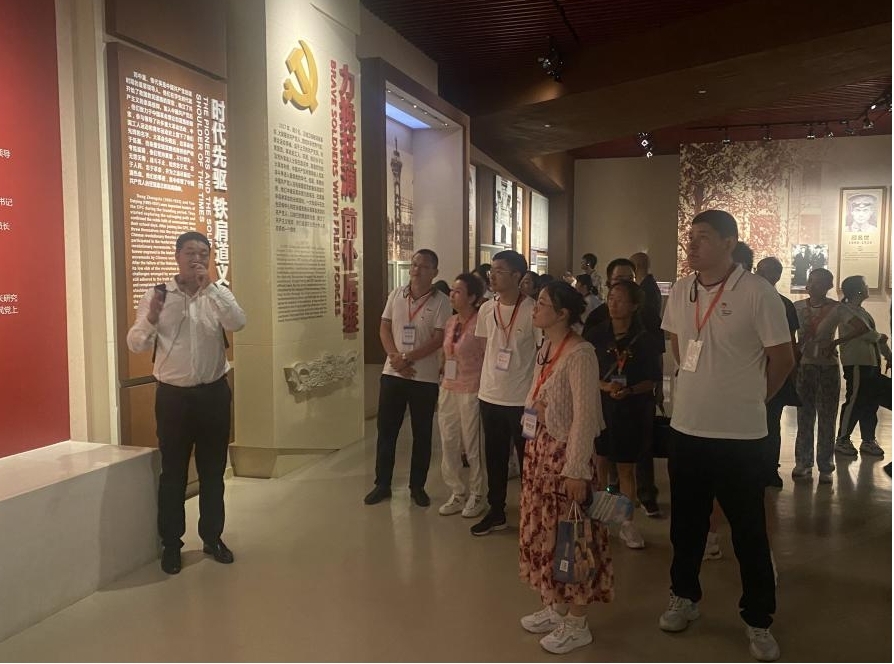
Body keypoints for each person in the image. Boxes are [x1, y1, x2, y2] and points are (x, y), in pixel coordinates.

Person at [659, 210, 793, 662]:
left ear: (729, 243)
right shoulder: (682, 289)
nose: (692, 244)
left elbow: (783, 359)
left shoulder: (757, 293)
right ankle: (683, 596)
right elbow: (679, 345)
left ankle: (758, 618)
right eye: (690, 236)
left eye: (703, 237)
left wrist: (753, 399)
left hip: (740, 436)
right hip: (687, 429)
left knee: (748, 531)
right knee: (686, 526)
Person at [126, 231, 246, 575]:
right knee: (174, 473)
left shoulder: (218, 292)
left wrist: (211, 289)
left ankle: (212, 537)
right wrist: (151, 318)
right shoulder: (158, 295)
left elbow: (238, 322)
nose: (197, 259)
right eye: (190, 252)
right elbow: (136, 343)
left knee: (213, 471)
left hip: (213, 395)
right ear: (177, 256)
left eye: (203, 253)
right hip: (174, 399)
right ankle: (171, 544)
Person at [518, 281, 612, 654]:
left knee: (573, 539)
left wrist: (576, 470)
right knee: (547, 534)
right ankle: (554, 604)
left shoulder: (581, 354)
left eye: (542, 303)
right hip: (540, 454)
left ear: (562, 314)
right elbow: (537, 395)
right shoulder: (547, 346)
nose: (535, 308)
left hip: (566, 458)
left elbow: (585, 418)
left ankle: (577, 621)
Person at [364, 249, 451, 507]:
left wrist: (408, 358)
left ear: (434, 272)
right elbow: (384, 327)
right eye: (414, 264)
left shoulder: (442, 301)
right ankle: (382, 484)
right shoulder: (396, 294)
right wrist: (395, 357)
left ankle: (417, 486)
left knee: (422, 434)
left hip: (423, 378)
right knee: (386, 431)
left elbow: (438, 338)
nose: (416, 270)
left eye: (423, 266)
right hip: (393, 373)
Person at [583, 257, 662, 517]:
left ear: (634, 304)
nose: (613, 304)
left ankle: (628, 521)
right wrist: (605, 386)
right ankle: (600, 516)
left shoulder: (645, 338)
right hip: (601, 407)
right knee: (600, 463)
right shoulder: (596, 332)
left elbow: (652, 377)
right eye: (611, 298)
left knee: (627, 467)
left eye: (620, 299)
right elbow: (584, 373)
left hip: (632, 410)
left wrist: (631, 390)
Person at [471, 250, 539, 536]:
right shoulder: (487, 309)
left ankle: (532, 514)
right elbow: (483, 347)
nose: (492, 276)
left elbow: (541, 355)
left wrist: (537, 396)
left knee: (528, 460)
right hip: (490, 396)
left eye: (499, 271)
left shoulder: (534, 310)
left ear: (517, 276)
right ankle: (496, 510)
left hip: (523, 400)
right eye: (492, 270)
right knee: (495, 457)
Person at [793, 268, 864, 482]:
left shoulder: (837, 308)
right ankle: (803, 462)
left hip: (827, 367)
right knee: (804, 416)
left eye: (818, 282)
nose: (812, 285)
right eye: (810, 281)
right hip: (805, 365)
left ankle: (826, 465)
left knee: (827, 416)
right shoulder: (797, 307)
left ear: (829, 286)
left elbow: (861, 327)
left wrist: (836, 342)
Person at [437, 274, 488, 518]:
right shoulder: (451, 321)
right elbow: (446, 353)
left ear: (472, 297)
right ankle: (457, 492)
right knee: (449, 441)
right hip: (448, 387)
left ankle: (478, 494)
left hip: (472, 389)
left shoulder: (481, 323)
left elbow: (487, 357)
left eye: (458, 291)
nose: (452, 295)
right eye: (452, 290)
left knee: (473, 445)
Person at [754, 257, 800, 488]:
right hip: (754, 373)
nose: (762, 276)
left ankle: (769, 469)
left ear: (777, 276)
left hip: (771, 374)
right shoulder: (760, 301)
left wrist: (790, 374)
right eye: (761, 271)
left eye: (768, 272)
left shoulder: (784, 304)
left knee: (771, 423)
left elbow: (790, 344)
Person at [834, 275, 891, 457]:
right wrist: (880, 337)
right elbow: (866, 332)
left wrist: (888, 355)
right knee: (855, 400)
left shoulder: (862, 311)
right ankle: (842, 439)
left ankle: (868, 440)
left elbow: (875, 336)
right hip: (857, 363)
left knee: (871, 402)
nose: (868, 287)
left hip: (871, 363)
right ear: (858, 290)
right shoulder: (846, 310)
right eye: (865, 285)